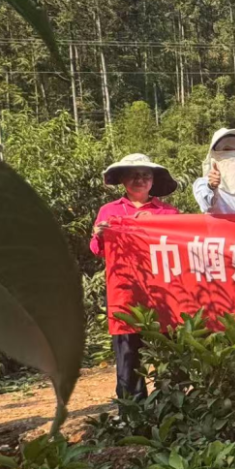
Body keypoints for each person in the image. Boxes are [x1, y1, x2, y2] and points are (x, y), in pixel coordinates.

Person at [91, 154, 180, 408]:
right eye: (134, 175)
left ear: (153, 181)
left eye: (145, 175)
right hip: (125, 294)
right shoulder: (109, 211)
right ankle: (133, 416)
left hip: (164, 295)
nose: (140, 180)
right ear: (123, 179)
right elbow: (97, 250)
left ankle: (171, 412)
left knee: (169, 357)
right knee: (128, 357)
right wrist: (99, 234)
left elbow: (182, 249)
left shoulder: (169, 213)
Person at [193, 128, 235, 214]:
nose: (234, 155)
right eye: (227, 149)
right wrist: (212, 187)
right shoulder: (204, 183)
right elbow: (206, 204)